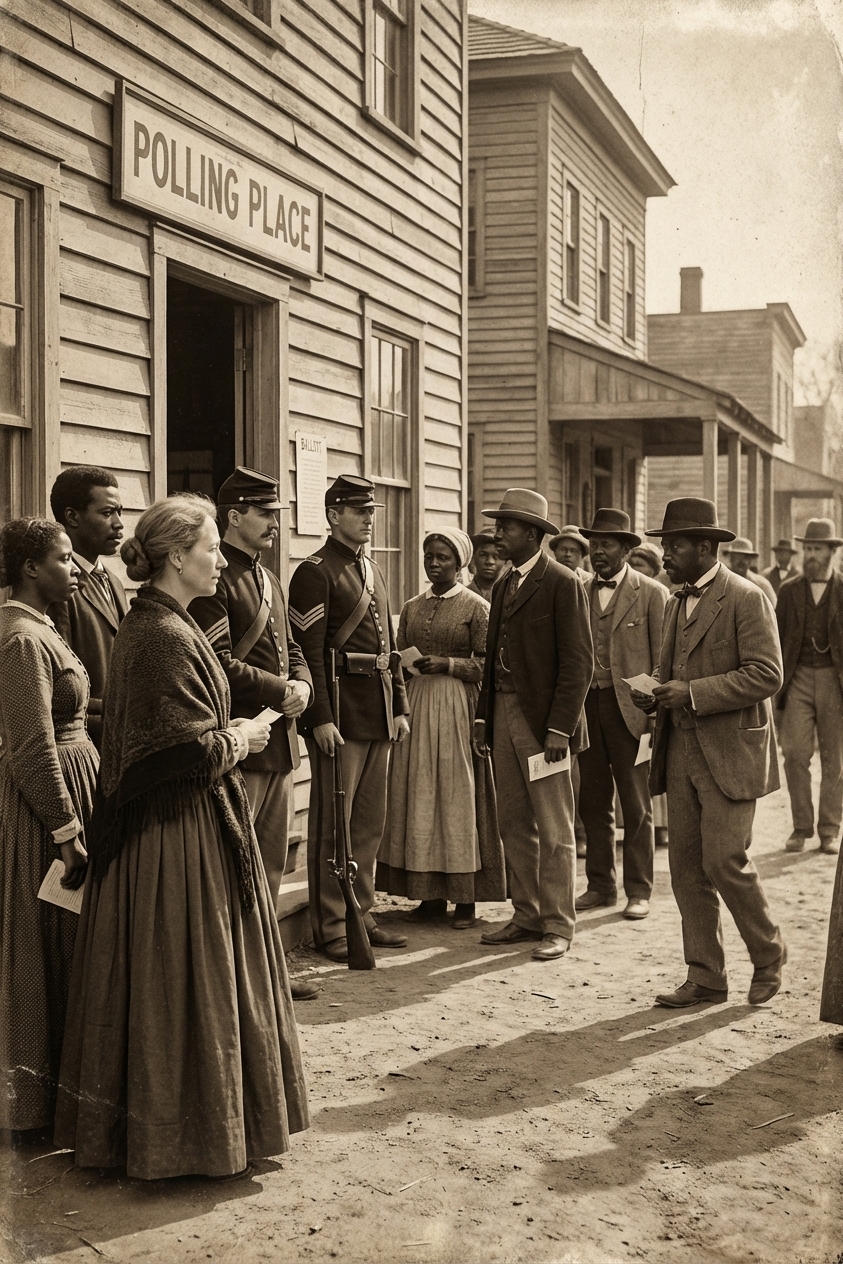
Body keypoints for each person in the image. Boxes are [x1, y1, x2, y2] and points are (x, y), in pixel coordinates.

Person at [55, 494, 309, 1180]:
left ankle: (205, 1128)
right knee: (179, 973)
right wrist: (244, 735)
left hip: (194, 823)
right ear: (175, 557)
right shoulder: (159, 634)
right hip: (173, 837)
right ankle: (180, 1137)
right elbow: (172, 756)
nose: (220, 559)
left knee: (198, 974)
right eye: (210, 549)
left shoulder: (169, 621)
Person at [635, 497, 786, 1008]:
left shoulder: (746, 597)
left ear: (705, 547)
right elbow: (671, 671)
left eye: (673, 545)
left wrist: (692, 692)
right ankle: (706, 976)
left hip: (731, 754)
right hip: (680, 751)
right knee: (685, 869)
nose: (666, 554)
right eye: (664, 545)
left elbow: (767, 674)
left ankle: (768, 957)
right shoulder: (676, 602)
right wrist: (654, 689)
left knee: (726, 861)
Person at [189, 468, 317, 1001]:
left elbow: (292, 646)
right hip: (241, 743)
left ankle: (264, 971)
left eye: (276, 516)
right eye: (264, 516)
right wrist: (279, 688)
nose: (273, 526)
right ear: (234, 518)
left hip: (279, 743)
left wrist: (304, 685)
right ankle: (233, 977)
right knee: (233, 866)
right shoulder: (214, 582)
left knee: (266, 865)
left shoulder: (267, 577)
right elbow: (217, 661)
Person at [0, 519, 97, 1141]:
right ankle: (33, 1109)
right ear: (31, 568)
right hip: (45, 811)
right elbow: (30, 743)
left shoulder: (43, 628)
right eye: (65, 559)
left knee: (71, 945)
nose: (76, 569)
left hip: (73, 789)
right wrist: (65, 831)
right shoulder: (19, 639)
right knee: (45, 945)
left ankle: (64, 1095)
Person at [288, 475, 410, 962]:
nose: (368, 518)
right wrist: (318, 717)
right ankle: (333, 925)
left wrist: (399, 704)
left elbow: (390, 648)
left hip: (377, 711)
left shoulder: (373, 570)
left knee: (367, 824)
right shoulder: (314, 573)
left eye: (371, 510)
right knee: (333, 824)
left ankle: (362, 911)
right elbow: (309, 652)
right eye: (358, 511)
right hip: (339, 713)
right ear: (333, 515)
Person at [474, 489, 593, 961]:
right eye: (500, 525)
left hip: (544, 726)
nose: (500, 533)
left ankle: (558, 925)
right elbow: (489, 662)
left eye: (508, 526)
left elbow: (579, 664)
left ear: (534, 534)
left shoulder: (563, 582)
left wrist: (560, 729)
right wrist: (483, 717)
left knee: (555, 827)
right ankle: (526, 914)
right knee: (513, 822)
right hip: (502, 715)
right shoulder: (504, 584)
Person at [378, 528, 505, 928]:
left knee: (455, 795)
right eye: (428, 556)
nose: (434, 564)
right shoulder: (413, 606)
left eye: (443, 558)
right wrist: (402, 664)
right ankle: (428, 895)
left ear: (460, 563)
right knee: (418, 794)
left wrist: (449, 664)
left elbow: (490, 666)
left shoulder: (476, 606)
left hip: (456, 707)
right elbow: (397, 656)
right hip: (415, 704)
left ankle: (465, 898)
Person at [575, 509, 668, 921]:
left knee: (636, 803)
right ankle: (600, 885)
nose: (597, 552)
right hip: (586, 709)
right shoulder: (577, 590)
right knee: (592, 801)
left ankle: (639, 889)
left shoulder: (650, 593)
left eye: (606, 544)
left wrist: (653, 717)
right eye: (593, 545)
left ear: (627, 550)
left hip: (631, 710)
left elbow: (664, 661)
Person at [775, 518, 843, 855]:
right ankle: (801, 827)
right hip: (797, 678)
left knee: (835, 758)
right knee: (795, 754)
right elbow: (775, 639)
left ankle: (829, 830)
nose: (811, 554)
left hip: (835, 679)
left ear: (832, 551)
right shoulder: (788, 590)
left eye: (817, 548)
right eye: (807, 548)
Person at [48, 467, 128, 748]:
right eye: (107, 513)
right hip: (85, 746)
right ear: (72, 517)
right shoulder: (58, 589)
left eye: (120, 511)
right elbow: (60, 689)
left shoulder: (114, 582)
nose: (119, 524)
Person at [723, 537, 777, 608]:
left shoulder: (762, 585)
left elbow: (773, 611)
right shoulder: (721, 583)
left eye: (745, 557)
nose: (741, 561)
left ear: (750, 561)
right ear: (731, 559)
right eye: (737, 557)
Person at [468, 527, 507, 601]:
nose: (489, 562)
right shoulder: (462, 595)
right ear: (473, 557)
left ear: (505, 560)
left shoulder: (511, 596)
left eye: (497, 556)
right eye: (483, 555)